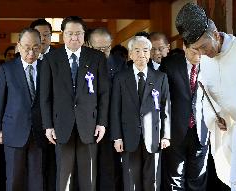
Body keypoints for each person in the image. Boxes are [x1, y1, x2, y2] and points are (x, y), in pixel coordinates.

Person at [176, 3, 236, 191]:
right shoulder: (206, 60)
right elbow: (210, 97)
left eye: (203, 47)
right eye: (196, 50)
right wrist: (217, 117)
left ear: (215, 35)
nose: (202, 54)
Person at [40, 16, 109, 191]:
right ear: (63, 35)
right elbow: (45, 96)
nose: (74, 38)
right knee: (63, 178)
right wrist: (48, 125)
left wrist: (101, 122)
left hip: (90, 124)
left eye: (78, 33)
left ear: (84, 35)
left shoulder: (97, 57)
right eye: (70, 33)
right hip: (61, 124)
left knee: (88, 178)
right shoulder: (51, 59)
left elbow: (103, 94)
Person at [110, 36, 171, 191]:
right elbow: (115, 109)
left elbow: (166, 108)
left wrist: (166, 135)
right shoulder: (120, 78)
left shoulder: (160, 77)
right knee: (131, 180)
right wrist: (117, 137)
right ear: (130, 54)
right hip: (128, 136)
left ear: (149, 54)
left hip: (154, 137)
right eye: (137, 51)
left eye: (145, 50)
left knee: (153, 181)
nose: (141, 54)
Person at [0, 28, 48, 191]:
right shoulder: (6, 69)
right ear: (18, 46)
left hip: (40, 131)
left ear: (41, 47)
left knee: (37, 177)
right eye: (27, 48)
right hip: (13, 129)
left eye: (36, 48)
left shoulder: (47, 68)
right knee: (14, 177)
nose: (31, 53)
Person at [159, 42, 209, 190]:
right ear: (184, 47)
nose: (198, 54)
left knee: (198, 177)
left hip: (201, 128)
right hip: (176, 129)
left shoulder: (211, 65)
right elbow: (163, 100)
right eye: (194, 50)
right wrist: (165, 132)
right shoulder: (170, 65)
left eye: (202, 50)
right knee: (175, 177)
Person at [88, 27, 124, 191]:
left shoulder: (120, 63)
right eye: (98, 49)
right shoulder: (84, 62)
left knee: (110, 168)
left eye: (106, 48)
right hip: (88, 123)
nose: (102, 52)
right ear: (89, 45)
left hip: (112, 124)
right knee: (87, 168)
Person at [30, 18, 56, 191]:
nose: (43, 39)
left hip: (56, 122)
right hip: (31, 126)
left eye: (47, 35)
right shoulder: (25, 57)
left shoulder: (60, 57)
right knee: (34, 170)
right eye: (39, 35)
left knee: (54, 167)